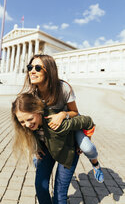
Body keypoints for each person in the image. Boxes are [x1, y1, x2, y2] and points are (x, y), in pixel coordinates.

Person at [21, 54, 104, 183]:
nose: (32, 71)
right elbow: (30, 123)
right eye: (30, 67)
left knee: (87, 147)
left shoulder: (63, 88)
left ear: (49, 70)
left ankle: (95, 164)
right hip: (51, 128)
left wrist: (62, 115)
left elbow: (75, 112)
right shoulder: (32, 93)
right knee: (38, 156)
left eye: (37, 68)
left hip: (68, 122)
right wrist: (35, 146)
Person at [11, 93, 95, 204]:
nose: (27, 124)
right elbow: (33, 134)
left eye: (29, 119)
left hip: (68, 152)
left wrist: (85, 140)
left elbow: (88, 121)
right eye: (22, 121)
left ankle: (95, 163)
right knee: (40, 186)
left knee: (59, 191)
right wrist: (36, 147)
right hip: (48, 149)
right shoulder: (28, 125)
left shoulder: (56, 123)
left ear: (38, 111)